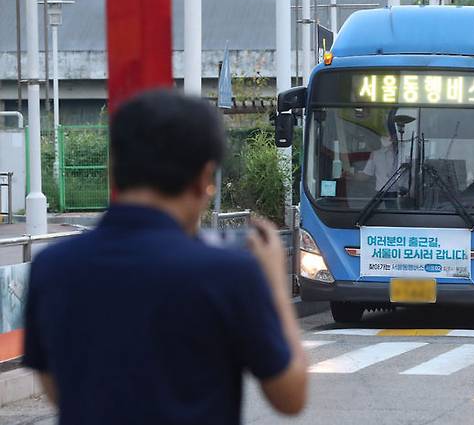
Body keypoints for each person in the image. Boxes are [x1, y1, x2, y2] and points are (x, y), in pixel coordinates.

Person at [23, 90, 308, 425]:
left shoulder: (52, 268)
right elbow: (290, 395)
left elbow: (55, 385)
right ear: (205, 179)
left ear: (113, 171)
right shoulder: (228, 273)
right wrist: (275, 286)